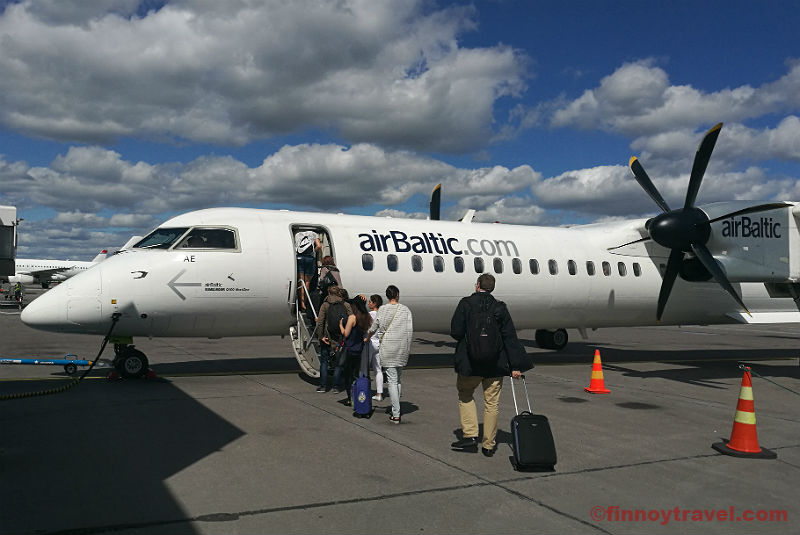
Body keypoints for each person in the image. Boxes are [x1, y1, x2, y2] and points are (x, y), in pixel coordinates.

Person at [449, 273, 531, 456]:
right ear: (492, 288)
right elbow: (510, 337)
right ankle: (488, 444)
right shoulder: (500, 307)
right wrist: (515, 366)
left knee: (466, 395)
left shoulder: (466, 304)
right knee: (491, 404)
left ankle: (470, 437)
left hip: (470, 364)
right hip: (495, 365)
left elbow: (456, 331)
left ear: (477, 285)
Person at [367, 285, 413, 424]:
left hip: (388, 347)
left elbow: (374, 326)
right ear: (397, 294)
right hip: (401, 347)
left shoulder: (383, 309)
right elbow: (409, 330)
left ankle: (396, 413)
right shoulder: (405, 310)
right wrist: (407, 346)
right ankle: (396, 408)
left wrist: (368, 335)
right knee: (397, 379)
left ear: (387, 296)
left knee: (392, 380)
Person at [314, 285, 352, 392]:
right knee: (338, 363)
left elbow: (320, 322)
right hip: (340, 338)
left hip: (327, 337)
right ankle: (336, 386)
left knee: (324, 362)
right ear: (339, 293)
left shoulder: (325, 305)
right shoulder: (346, 305)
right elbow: (352, 320)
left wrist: (320, 336)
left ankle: (323, 386)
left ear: (328, 293)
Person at [340, 295, 371, 405]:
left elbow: (346, 334)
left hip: (350, 349)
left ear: (355, 306)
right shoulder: (365, 317)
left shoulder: (352, 318)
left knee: (348, 375)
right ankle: (359, 395)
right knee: (356, 373)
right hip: (359, 349)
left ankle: (350, 398)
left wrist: (340, 325)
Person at [295, 230, 321, 312]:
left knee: (301, 282)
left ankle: (301, 302)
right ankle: (305, 303)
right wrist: (313, 252)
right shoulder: (314, 234)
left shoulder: (297, 234)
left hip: (300, 258)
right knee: (307, 282)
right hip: (310, 259)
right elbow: (319, 246)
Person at [367, 294, 384, 401]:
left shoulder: (369, 315)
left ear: (374, 303)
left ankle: (364, 390)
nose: (368, 303)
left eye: (370, 302)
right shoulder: (382, 315)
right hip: (380, 343)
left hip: (370, 343)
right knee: (378, 370)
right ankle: (379, 394)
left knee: (364, 369)